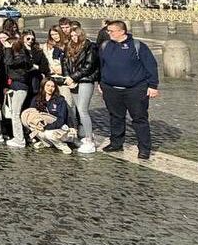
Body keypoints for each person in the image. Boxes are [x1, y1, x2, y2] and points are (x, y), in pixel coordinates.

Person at [98, 20, 159, 159]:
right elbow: (101, 66)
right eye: (108, 31)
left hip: (135, 89)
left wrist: (153, 86)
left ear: (122, 31)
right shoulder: (105, 46)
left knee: (139, 119)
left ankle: (144, 148)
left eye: (111, 31)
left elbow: (151, 66)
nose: (108, 33)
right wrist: (101, 83)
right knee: (115, 117)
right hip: (111, 89)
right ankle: (116, 143)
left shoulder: (138, 46)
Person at [62, 27, 99, 154]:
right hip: (73, 82)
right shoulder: (69, 47)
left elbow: (89, 66)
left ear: (81, 34)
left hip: (85, 80)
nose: (74, 37)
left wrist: (73, 77)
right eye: (72, 35)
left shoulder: (90, 47)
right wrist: (68, 78)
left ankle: (89, 140)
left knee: (83, 110)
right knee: (78, 109)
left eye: (76, 35)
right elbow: (65, 63)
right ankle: (88, 136)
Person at [22, 78, 73, 154]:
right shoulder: (36, 98)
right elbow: (31, 113)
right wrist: (36, 124)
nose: (50, 88)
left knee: (48, 134)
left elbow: (61, 120)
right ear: (43, 86)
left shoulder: (60, 100)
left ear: (55, 88)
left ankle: (62, 145)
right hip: (41, 125)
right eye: (48, 85)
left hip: (57, 127)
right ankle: (47, 143)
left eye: (52, 86)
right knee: (34, 128)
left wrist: (46, 127)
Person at [2, 34, 31, 148]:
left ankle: (20, 139)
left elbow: (9, 62)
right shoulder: (18, 56)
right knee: (14, 112)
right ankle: (17, 137)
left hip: (20, 87)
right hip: (15, 86)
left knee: (16, 114)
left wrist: (8, 48)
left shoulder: (21, 57)